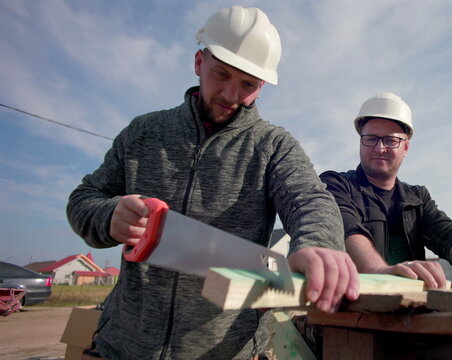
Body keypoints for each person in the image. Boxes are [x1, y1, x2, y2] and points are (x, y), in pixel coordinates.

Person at [66, 6, 358, 359]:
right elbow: (83, 199)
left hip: (224, 351)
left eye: (248, 84)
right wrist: (107, 214)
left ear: (262, 85)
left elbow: (311, 200)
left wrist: (318, 243)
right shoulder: (144, 133)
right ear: (198, 62)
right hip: (124, 345)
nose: (231, 94)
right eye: (221, 74)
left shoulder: (272, 145)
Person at [320, 92, 452, 290]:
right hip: (347, 308)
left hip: (408, 310)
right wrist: (379, 271)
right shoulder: (336, 184)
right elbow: (345, 226)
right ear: (360, 142)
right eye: (371, 138)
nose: (379, 148)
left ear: (405, 148)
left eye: (390, 140)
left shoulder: (417, 199)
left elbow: (447, 233)